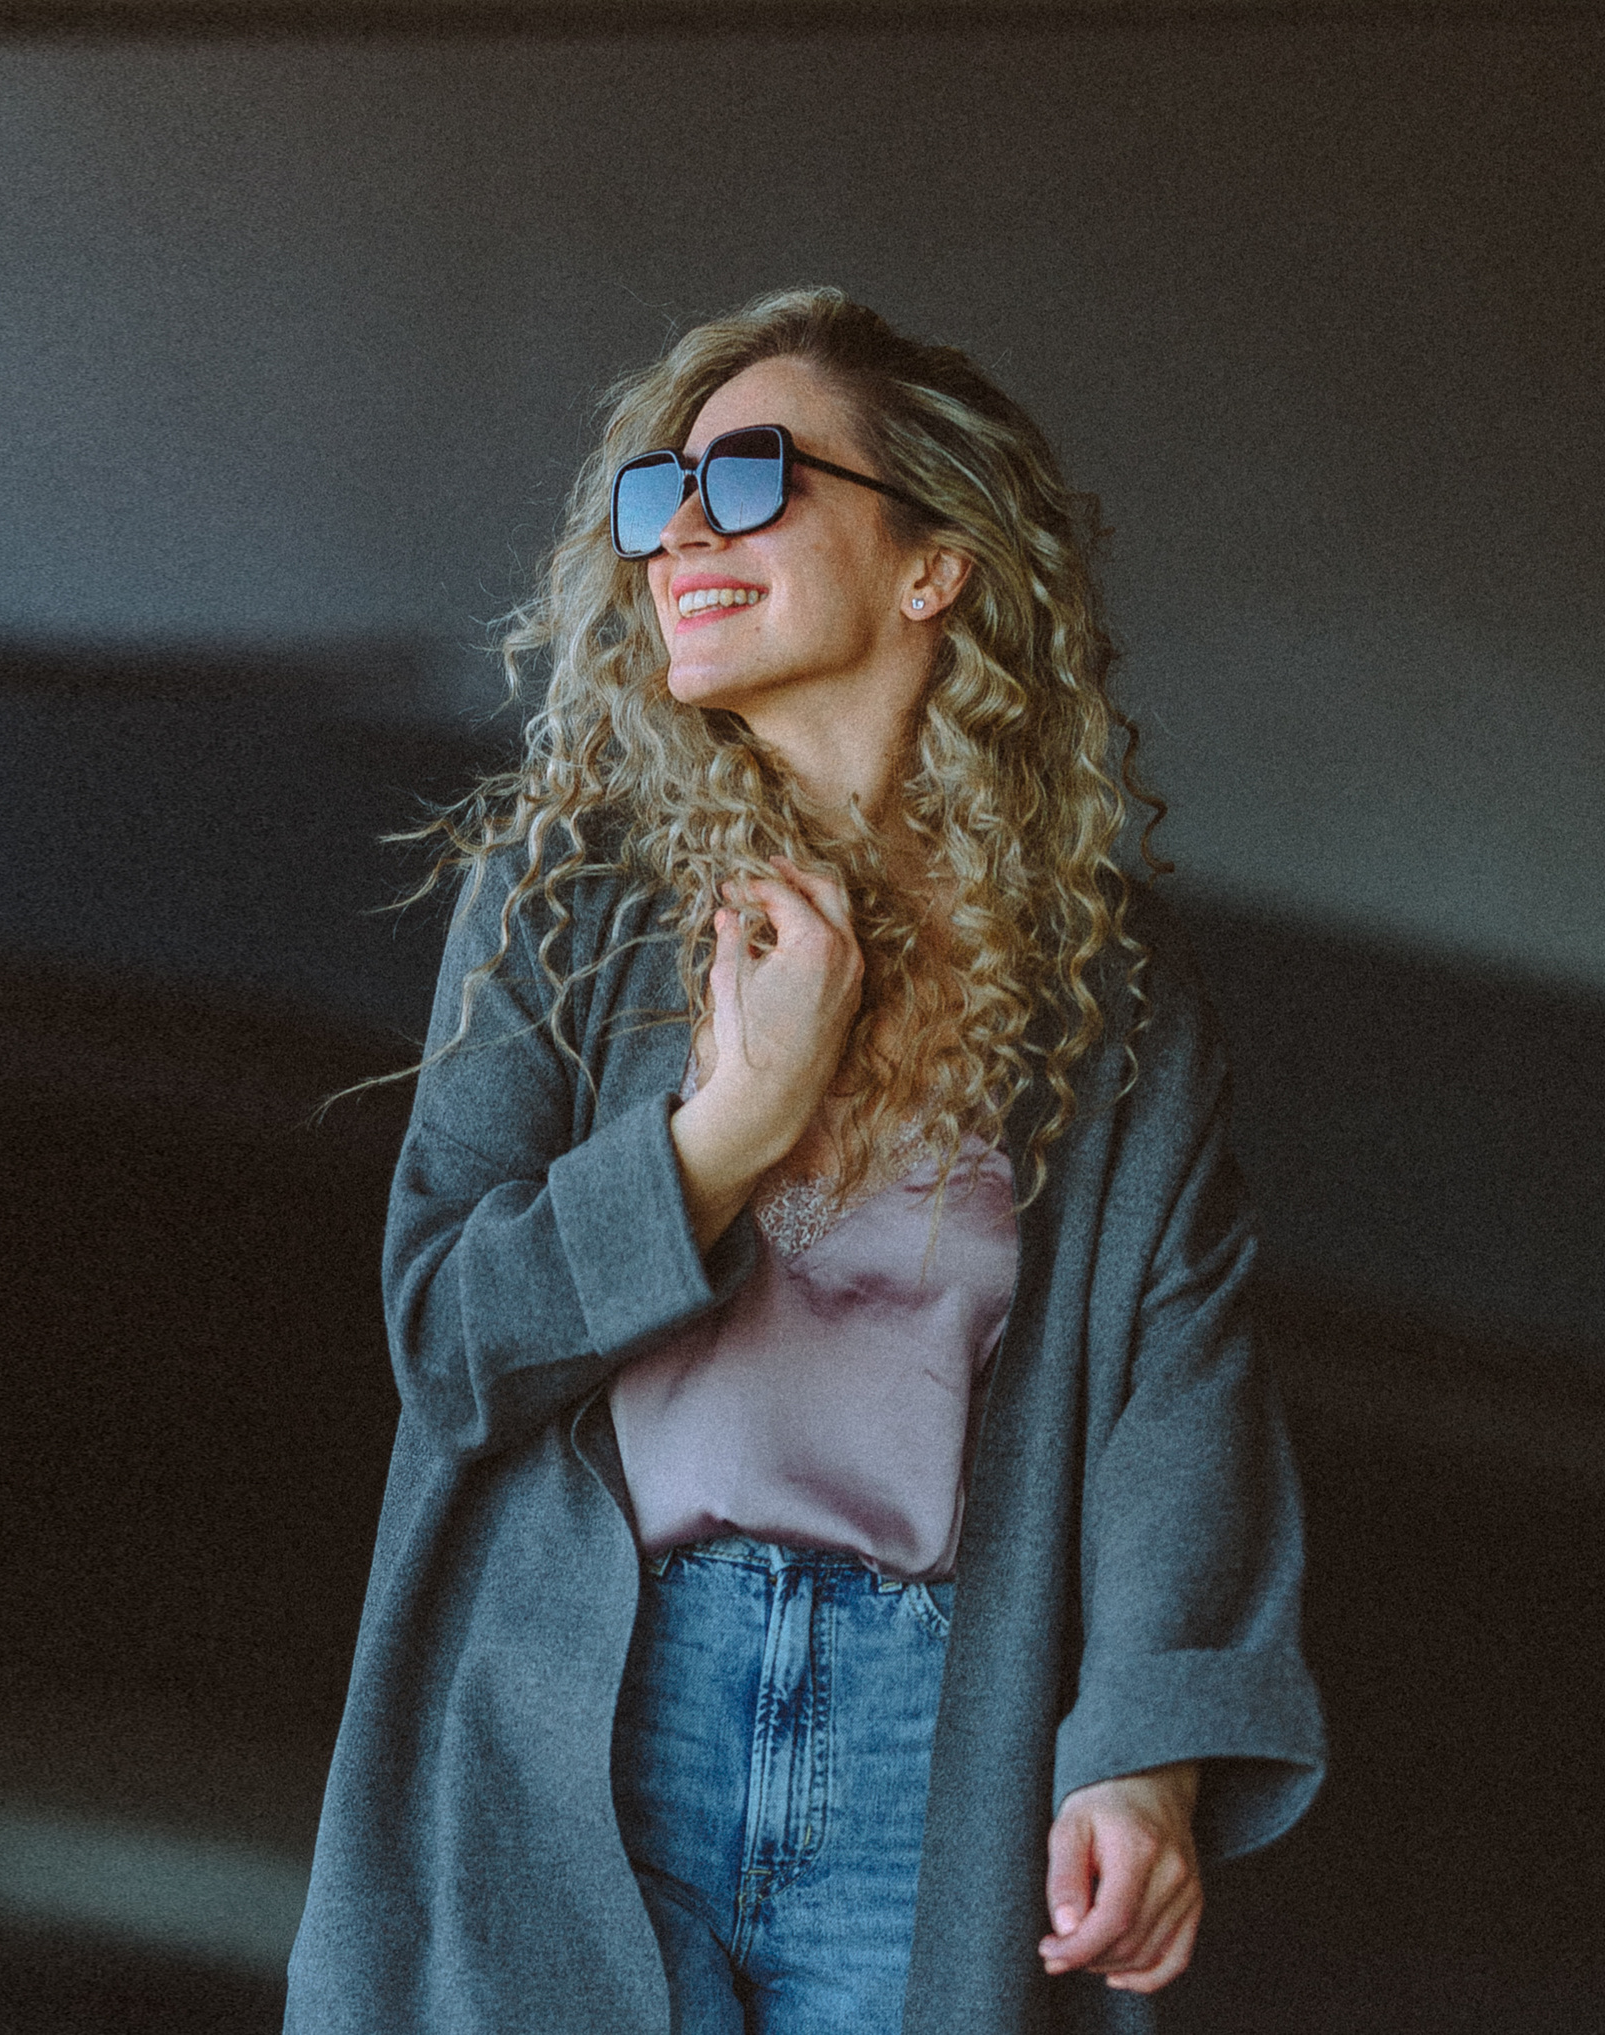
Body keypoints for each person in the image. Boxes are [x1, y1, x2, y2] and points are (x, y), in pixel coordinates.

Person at [284, 287, 1324, 2035]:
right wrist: (723, 1139)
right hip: (600, 1719)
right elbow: (449, 1343)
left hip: (936, 1746)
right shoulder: (571, 908)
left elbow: (1177, 1394)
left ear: (937, 567)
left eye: (750, 476)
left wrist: (1146, 1753)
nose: (677, 525)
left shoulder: (1112, 998)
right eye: (656, 493)